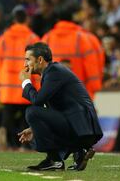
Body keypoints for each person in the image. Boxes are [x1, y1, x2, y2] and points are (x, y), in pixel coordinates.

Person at [18, 42, 103, 171]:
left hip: (82, 127)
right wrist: (34, 128)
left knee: (32, 112)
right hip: (80, 124)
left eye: (28, 59)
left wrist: (26, 82)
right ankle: (79, 151)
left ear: (40, 59)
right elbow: (52, 109)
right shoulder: (52, 72)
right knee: (34, 132)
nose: (25, 65)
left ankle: (55, 160)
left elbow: (37, 100)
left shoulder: (54, 72)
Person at [0, 5, 40, 148]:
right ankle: (24, 145)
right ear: (26, 19)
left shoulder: (4, 37)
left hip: (7, 84)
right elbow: (38, 60)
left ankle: (6, 135)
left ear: (13, 19)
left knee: (8, 113)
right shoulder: (32, 37)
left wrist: (2, 76)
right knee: (26, 115)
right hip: (24, 81)